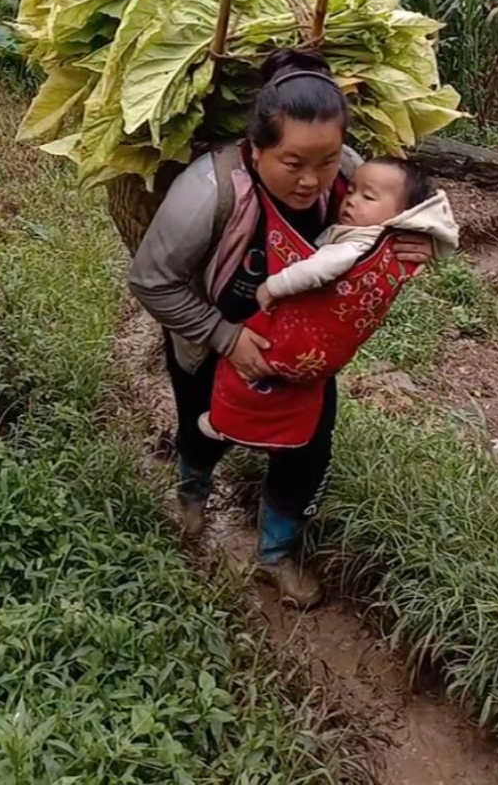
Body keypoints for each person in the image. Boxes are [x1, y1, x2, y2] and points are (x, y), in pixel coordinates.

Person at [128, 49, 434, 608]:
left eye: (328, 159)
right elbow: (151, 281)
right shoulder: (209, 190)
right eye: (292, 163)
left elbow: (399, 213)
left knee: (307, 451)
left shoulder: (346, 174)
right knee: (203, 427)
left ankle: (276, 555)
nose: (313, 181)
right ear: (257, 146)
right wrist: (226, 337)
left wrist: (416, 239)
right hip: (211, 339)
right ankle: (191, 496)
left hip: (304, 350)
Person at [198, 158, 458, 449]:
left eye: (367, 197)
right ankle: (289, 437)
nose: (350, 201)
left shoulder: (356, 246)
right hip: (323, 358)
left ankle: (224, 422)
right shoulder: (380, 240)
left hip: (293, 339)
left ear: (403, 216)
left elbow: (317, 269)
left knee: (243, 374)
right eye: (350, 191)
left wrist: (273, 287)